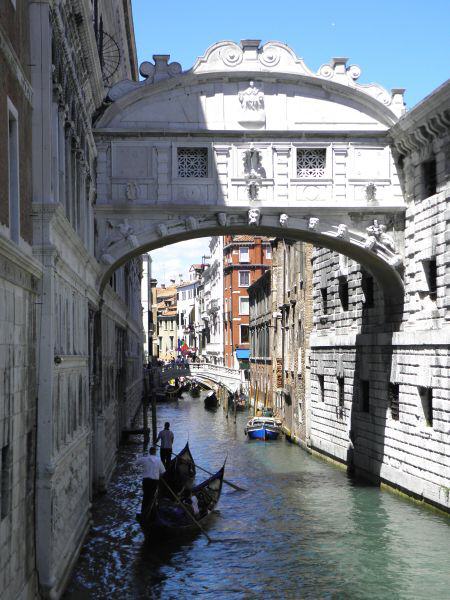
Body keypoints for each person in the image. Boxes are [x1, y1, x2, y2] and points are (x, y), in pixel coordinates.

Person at [136, 446, 165, 518]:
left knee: (146, 496)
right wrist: (158, 475)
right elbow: (163, 472)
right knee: (152, 496)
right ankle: (152, 512)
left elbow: (136, 463)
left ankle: (144, 512)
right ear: (155, 452)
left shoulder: (144, 459)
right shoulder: (158, 460)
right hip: (154, 481)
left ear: (149, 452)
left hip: (146, 481)